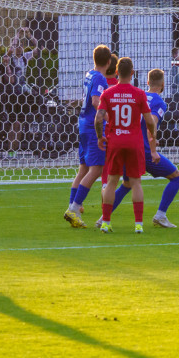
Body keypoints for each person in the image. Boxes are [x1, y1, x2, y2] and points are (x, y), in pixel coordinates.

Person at [104, 68, 179, 229]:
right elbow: (151, 125)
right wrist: (153, 149)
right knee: (177, 177)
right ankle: (160, 215)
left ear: (147, 82)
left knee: (126, 184)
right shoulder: (159, 102)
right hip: (144, 151)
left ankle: (103, 218)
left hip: (128, 144)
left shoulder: (138, 95)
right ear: (163, 84)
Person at [94, 57, 158, 234]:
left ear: (116, 72)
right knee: (136, 182)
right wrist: (153, 135)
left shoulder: (107, 93)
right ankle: (138, 225)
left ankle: (106, 222)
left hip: (115, 141)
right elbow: (149, 120)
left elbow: (98, 118)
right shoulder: (139, 94)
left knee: (112, 181)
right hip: (134, 142)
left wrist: (100, 137)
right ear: (132, 73)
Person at [64, 45, 113, 228]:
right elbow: (95, 100)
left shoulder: (89, 74)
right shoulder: (100, 77)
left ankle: (73, 206)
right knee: (97, 169)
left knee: (83, 168)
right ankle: (74, 209)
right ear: (109, 62)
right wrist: (108, 116)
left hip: (83, 123)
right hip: (93, 126)